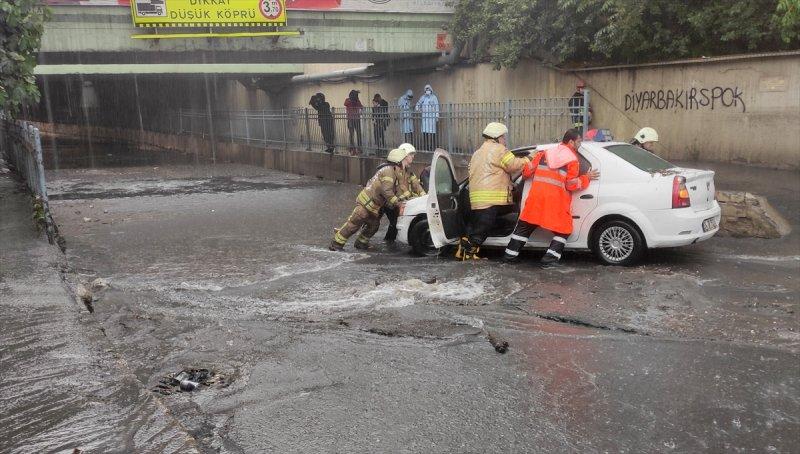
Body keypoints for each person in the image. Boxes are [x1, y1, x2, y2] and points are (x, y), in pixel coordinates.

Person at [502, 128, 600, 266]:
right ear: (571, 142)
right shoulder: (573, 160)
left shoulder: (545, 153)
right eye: (579, 141)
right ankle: (549, 259)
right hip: (556, 202)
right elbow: (571, 185)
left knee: (524, 226)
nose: (580, 145)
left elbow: (526, 172)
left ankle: (509, 256)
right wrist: (586, 177)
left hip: (536, 198)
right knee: (564, 230)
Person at [457, 122, 532, 260]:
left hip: (477, 198)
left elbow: (491, 173)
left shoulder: (477, 153)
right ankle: (468, 256)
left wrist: (511, 186)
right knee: (481, 231)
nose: (504, 140)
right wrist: (528, 159)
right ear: (497, 138)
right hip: (490, 199)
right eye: (503, 137)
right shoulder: (499, 149)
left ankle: (464, 252)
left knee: (478, 227)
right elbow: (513, 165)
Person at [330, 146, 416, 251]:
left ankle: (361, 243)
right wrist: (398, 203)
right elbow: (387, 191)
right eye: (405, 159)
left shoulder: (394, 171)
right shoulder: (389, 171)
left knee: (373, 225)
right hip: (365, 204)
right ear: (398, 161)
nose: (407, 162)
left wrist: (409, 199)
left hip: (374, 206)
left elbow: (398, 190)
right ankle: (336, 244)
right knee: (354, 224)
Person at [381, 143, 426, 243]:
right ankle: (388, 243)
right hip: (392, 203)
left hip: (401, 203)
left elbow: (416, 185)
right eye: (411, 154)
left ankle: (390, 241)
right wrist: (402, 202)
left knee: (396, 223)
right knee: (395, 223)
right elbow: (395, 190)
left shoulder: (408, 171)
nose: (413, 157)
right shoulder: (395, 170)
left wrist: (424, 197)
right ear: (405, 156)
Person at [415, 84, 440, 150]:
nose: (427, 91)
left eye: (428, 89)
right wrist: (418, 109)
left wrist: (437, 116)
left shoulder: (434, 97)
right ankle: (426, 146)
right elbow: (418, 104)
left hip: (432, 118)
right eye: (426, 90)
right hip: (425, 118)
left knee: (432, 133)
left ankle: (433, 146)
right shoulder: (423, 97)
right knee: (425, 132)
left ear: (431, 90)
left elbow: (437, 107)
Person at [344, 90, 363, 154]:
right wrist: (352, 100)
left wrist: (356, 101)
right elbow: (345, 104)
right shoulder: (348, 100)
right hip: (351, 119)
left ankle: (359, 148)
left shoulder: (357, 101)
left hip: (356, 119)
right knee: (352, 134)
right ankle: (352, 148)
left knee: (358, 134)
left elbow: (361, 107)